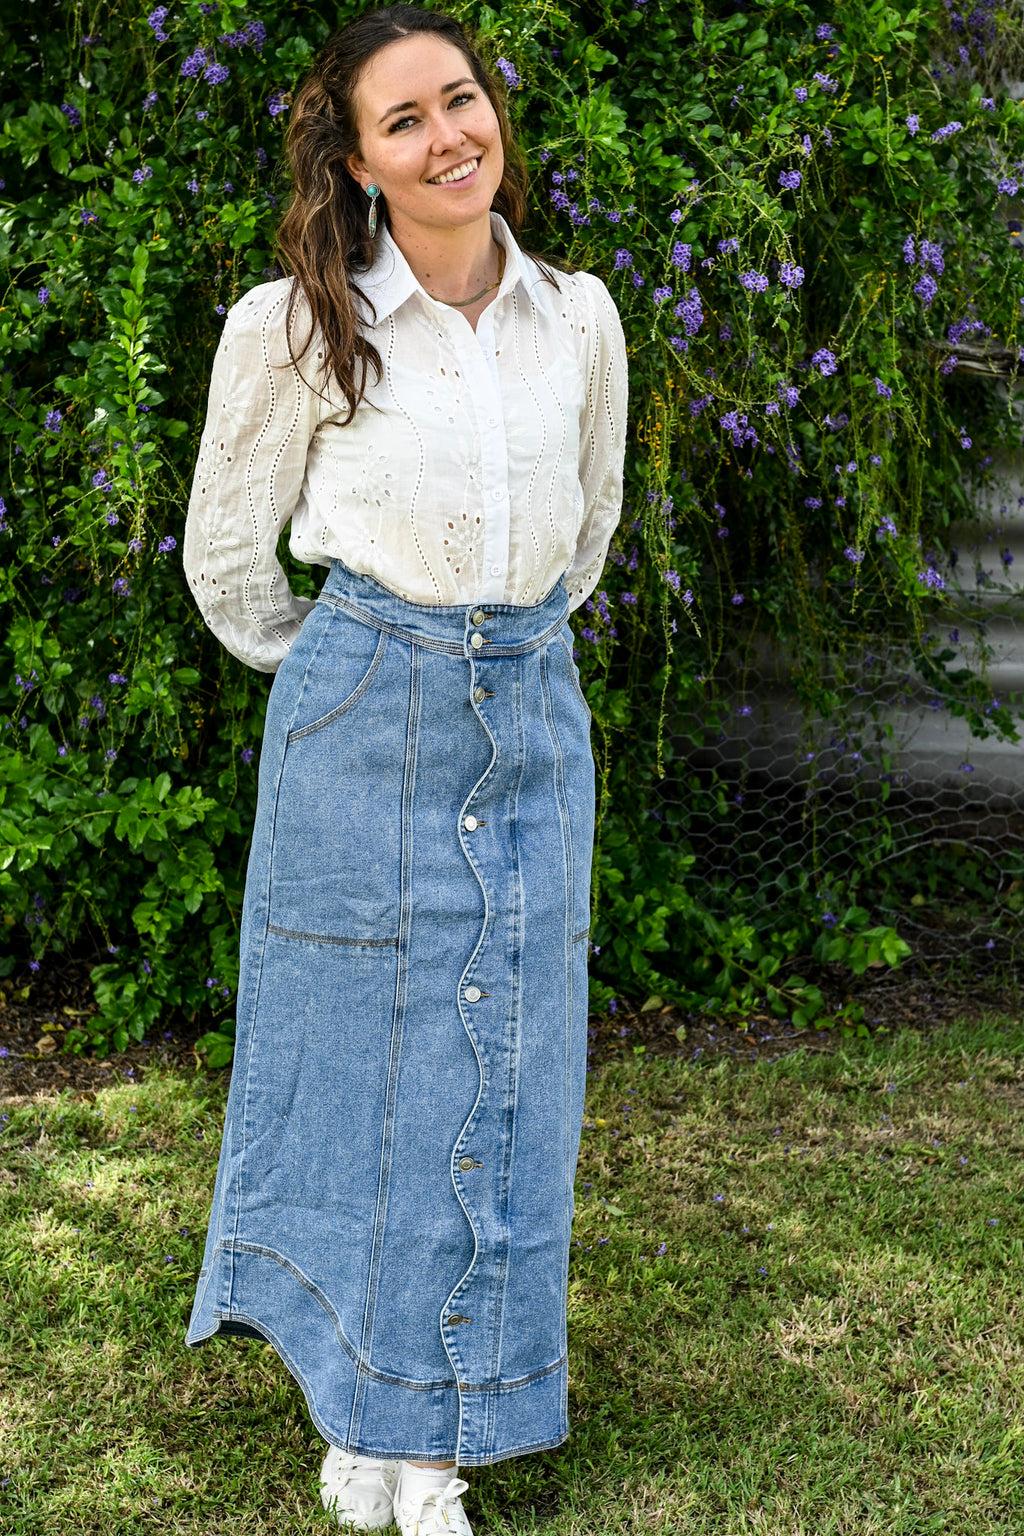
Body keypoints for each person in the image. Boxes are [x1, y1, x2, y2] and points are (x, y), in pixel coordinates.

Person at [181, 6, 627, 1533]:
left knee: (506, 1066)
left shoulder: (581, 318)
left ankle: (430, 1434)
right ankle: (374, 1426)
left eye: (463, 101)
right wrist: (356, 668)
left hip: (533, 711)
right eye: (406, 122)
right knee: (364, 1066)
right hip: (364, 712)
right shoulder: (299, 325)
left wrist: (500, 654)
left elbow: (588, 531)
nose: (450, 139)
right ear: (363, 164)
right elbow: (230, 567)